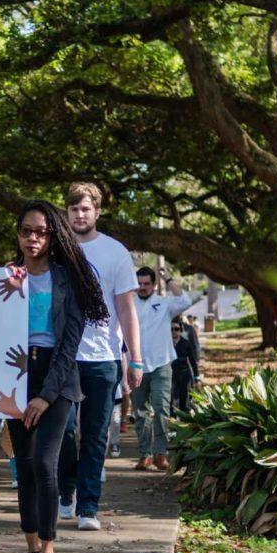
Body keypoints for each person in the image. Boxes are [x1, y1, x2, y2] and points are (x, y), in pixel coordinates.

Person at [2, 200, 108, 553]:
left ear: (54, 236)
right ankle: (30, 550)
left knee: (46, 464)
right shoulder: (7, 277)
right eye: (27, 231)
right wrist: (7, 294)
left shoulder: (68, 279)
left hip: (58, 379)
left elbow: (69, 344)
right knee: (25, 466)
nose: (34, 238)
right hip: (16, 374)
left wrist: (45, 396)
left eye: (42, 232)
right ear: (18, 234)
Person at [56, 183, 143, 532]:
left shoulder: (115, 252)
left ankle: (88, 507)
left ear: (97, 212)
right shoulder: (55, 249)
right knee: (62, 431)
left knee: (94, 436)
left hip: (103, 357)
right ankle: (66, 492)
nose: (79, 214)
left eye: (86, 208)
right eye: (74, 208)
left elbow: (126, 307)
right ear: (67, 212)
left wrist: (134, 359)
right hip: (62, 355)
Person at [131, 268, 192, 471]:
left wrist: (168, 278)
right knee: (140, 411)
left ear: (154, 285)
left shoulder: (164, 303)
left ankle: (161, 453)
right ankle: (145, 454)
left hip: (161, 364)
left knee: (161, 409)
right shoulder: (129, 302)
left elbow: (185, 300)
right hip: (137, 365)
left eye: (146, 284)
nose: (142, 287)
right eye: (139, 283)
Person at [171, 320, 200, 412]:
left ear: (180, 330)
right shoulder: (166, 344)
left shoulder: (186, 343)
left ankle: (185, 420)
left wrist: (196, 377)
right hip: (171, 374)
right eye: (171, 329)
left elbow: (192, 361)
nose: (174, 331)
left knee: (185, 399)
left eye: (176, 329)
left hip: (184, 374)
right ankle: (172, 420)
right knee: (171, 399)